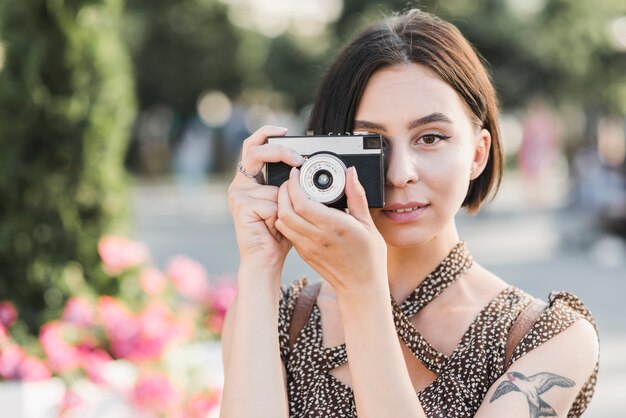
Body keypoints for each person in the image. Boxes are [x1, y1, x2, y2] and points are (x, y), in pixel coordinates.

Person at [220, 9, 599, 418]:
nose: (400, 174)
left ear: (477, 154)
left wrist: (362, 293)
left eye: (430, 138)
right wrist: (259, 264)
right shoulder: (281, 316)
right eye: (371, 144)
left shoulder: (547, 338)